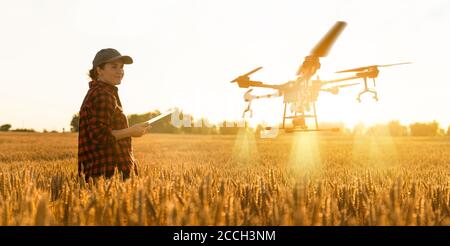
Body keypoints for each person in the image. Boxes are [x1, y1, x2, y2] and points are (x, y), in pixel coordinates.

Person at [78, 48, 150, 181]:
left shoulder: (99, 92)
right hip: (107, 173)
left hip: (101, 173)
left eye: (121, 67)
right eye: (114, 67)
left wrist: (131, 130)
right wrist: (131, 131)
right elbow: (99, 136)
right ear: (99, 70)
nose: (120, 71)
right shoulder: (103, 95)